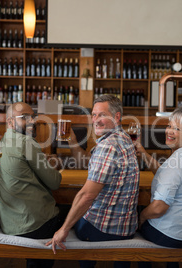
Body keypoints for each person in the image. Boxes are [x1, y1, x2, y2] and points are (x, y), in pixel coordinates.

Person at [46, 95, 140, 268]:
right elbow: (88, 164)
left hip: (105, 229)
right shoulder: (125, 138)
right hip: (126, 226)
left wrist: (64, 229)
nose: (95, 120)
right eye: (94, 115)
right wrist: (73, 141)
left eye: (101, 115)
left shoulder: (108, 146)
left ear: (117, 117)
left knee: (60, 219)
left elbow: (87, 195)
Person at [135, 107, 182, 261]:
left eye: (176, 129)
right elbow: (164, 173)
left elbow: (159, 208)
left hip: (176, 235)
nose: (169, 131)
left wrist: (141, 217)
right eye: (169, 126)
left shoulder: (177, 162)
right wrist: (144, 154)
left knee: (133, 224)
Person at [0, 102, 62, 268]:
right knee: (76, 214)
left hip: (10, 222)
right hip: (33, 224)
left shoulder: (3, 141)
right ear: (11, 122)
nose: (32, 121)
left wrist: (44, 163)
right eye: (25, 118)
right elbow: (55, 182)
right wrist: (53, 165)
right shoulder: (27, 143)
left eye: (33, 117)